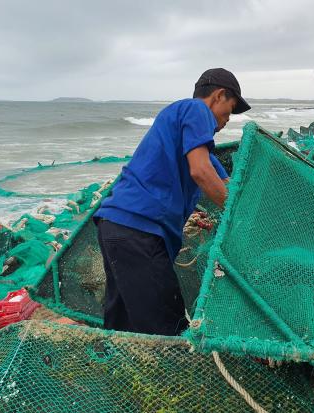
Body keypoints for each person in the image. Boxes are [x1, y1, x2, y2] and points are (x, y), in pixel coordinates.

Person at [93, 68, 251, 335]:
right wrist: (240, 221)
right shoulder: (195, 109)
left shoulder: (195, 144)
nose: (226, 121)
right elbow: (201, 173)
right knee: (169, 328)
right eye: (229, 111)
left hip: (113, 225)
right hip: (139, 231)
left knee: (122, 324)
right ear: (218, 96)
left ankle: (113, 367)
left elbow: (225, 186)